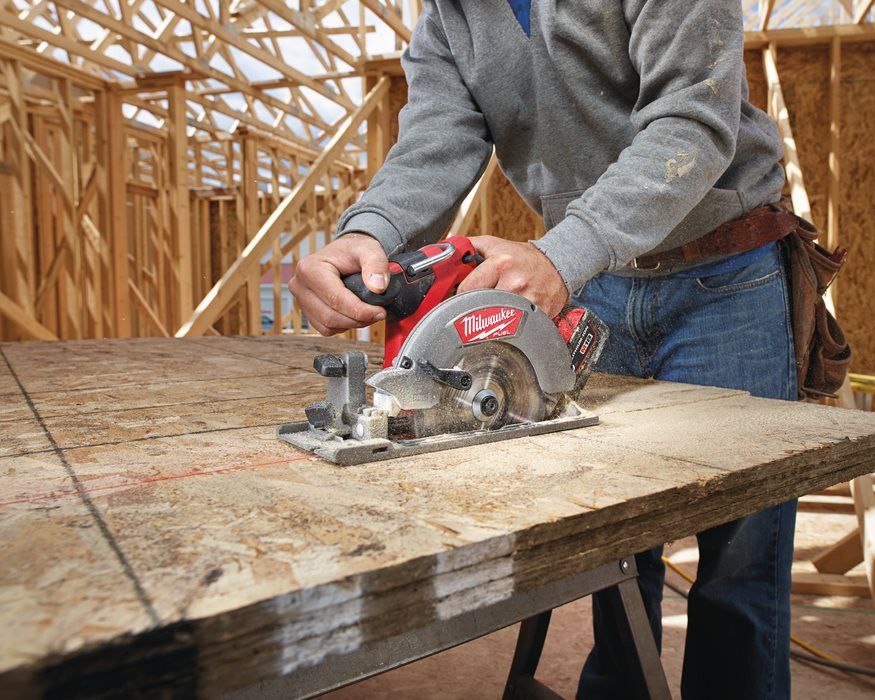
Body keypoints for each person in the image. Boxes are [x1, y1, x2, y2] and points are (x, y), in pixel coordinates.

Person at [289, 2, 796, 697]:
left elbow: (693, 120)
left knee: (741, 562)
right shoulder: (451, 14)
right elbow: (437, 135)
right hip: (593, 277)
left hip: (723, 275)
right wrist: (371, 232)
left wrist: (564, 253)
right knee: (616, 551)